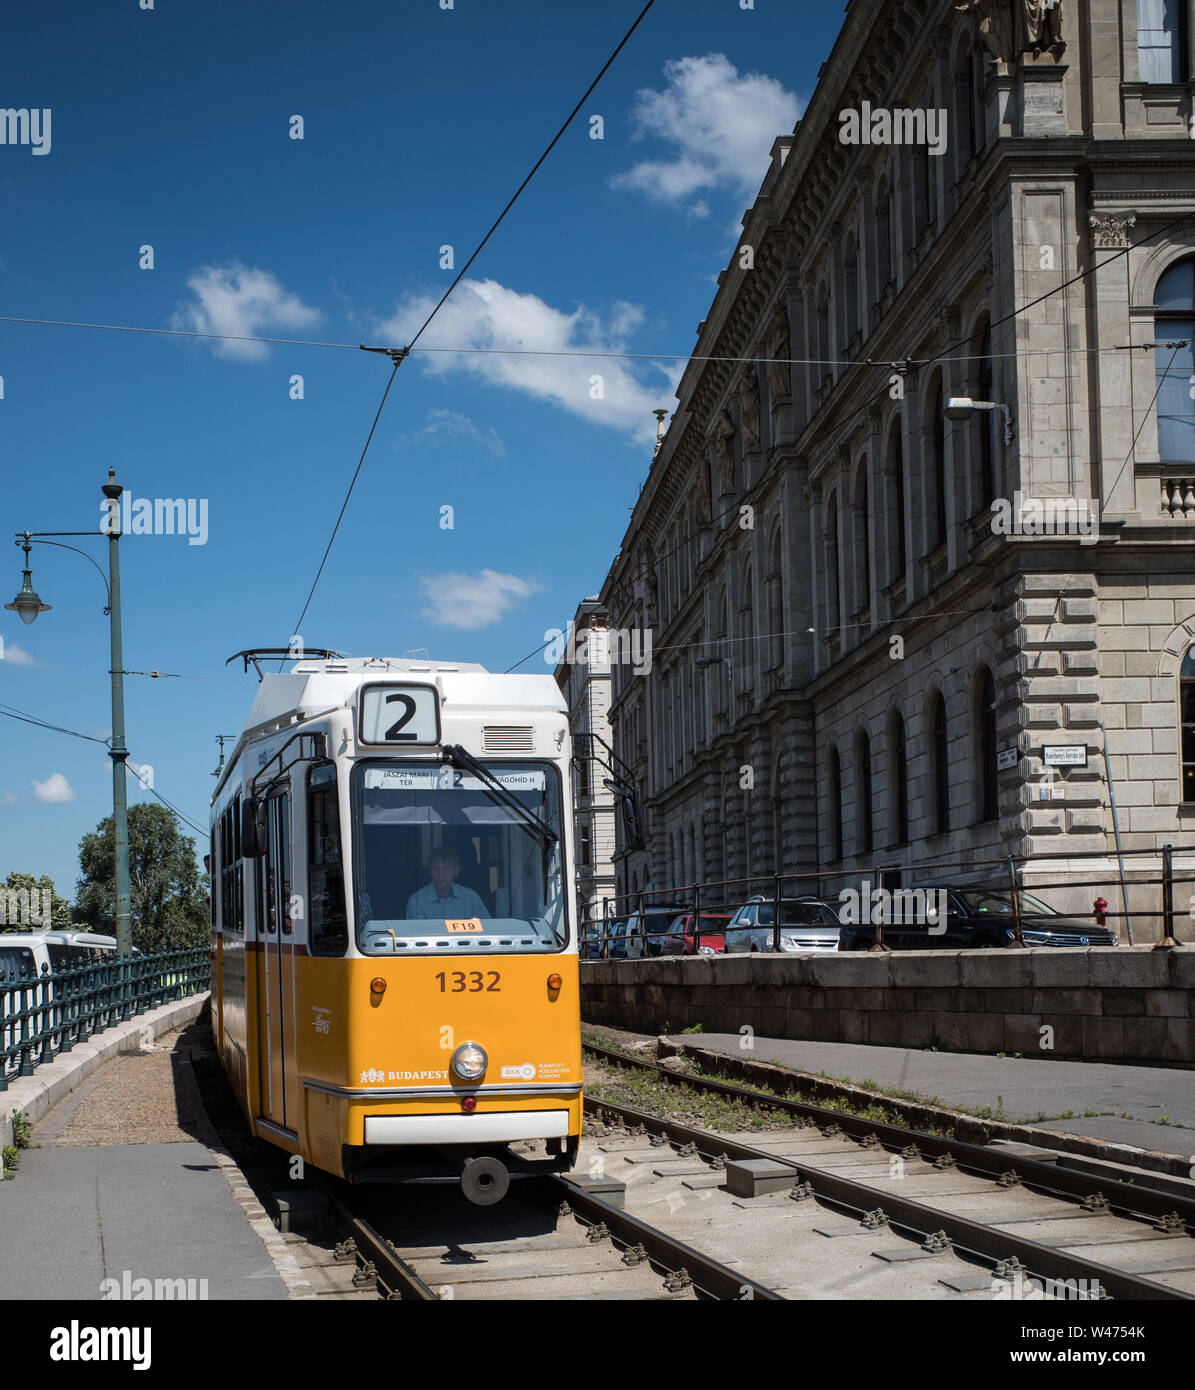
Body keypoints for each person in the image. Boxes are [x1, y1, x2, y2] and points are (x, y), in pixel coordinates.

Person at [406, 847, 489, 920]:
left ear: (456, 871)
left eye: (445, 869)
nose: (440, 874)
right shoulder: (417, 901)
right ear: (430, 871)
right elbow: (418, 935)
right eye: (435, 869)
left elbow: (488, 929)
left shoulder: (471, 898)